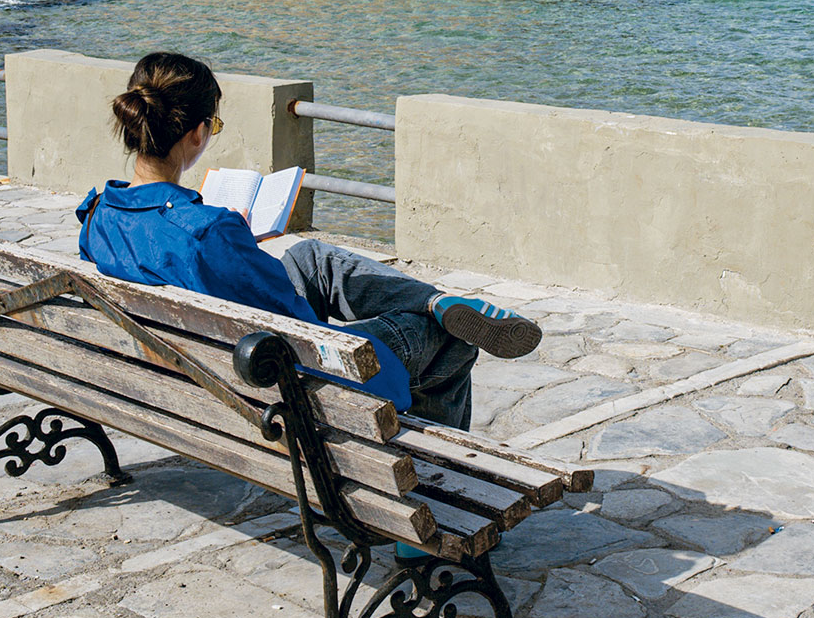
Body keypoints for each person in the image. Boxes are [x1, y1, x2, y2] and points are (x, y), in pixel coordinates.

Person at [76, 52, 542, 435]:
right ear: (197, 132)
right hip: (276, 374)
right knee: (449, 337)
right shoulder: (208, 231)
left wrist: (235, 246)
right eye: (212, 128)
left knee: (309, 255)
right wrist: (231, 240)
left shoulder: (99, 214)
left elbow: (169, 261)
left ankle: (435, 299)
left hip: (188, 372)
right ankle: (430, 490)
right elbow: (297, 325)